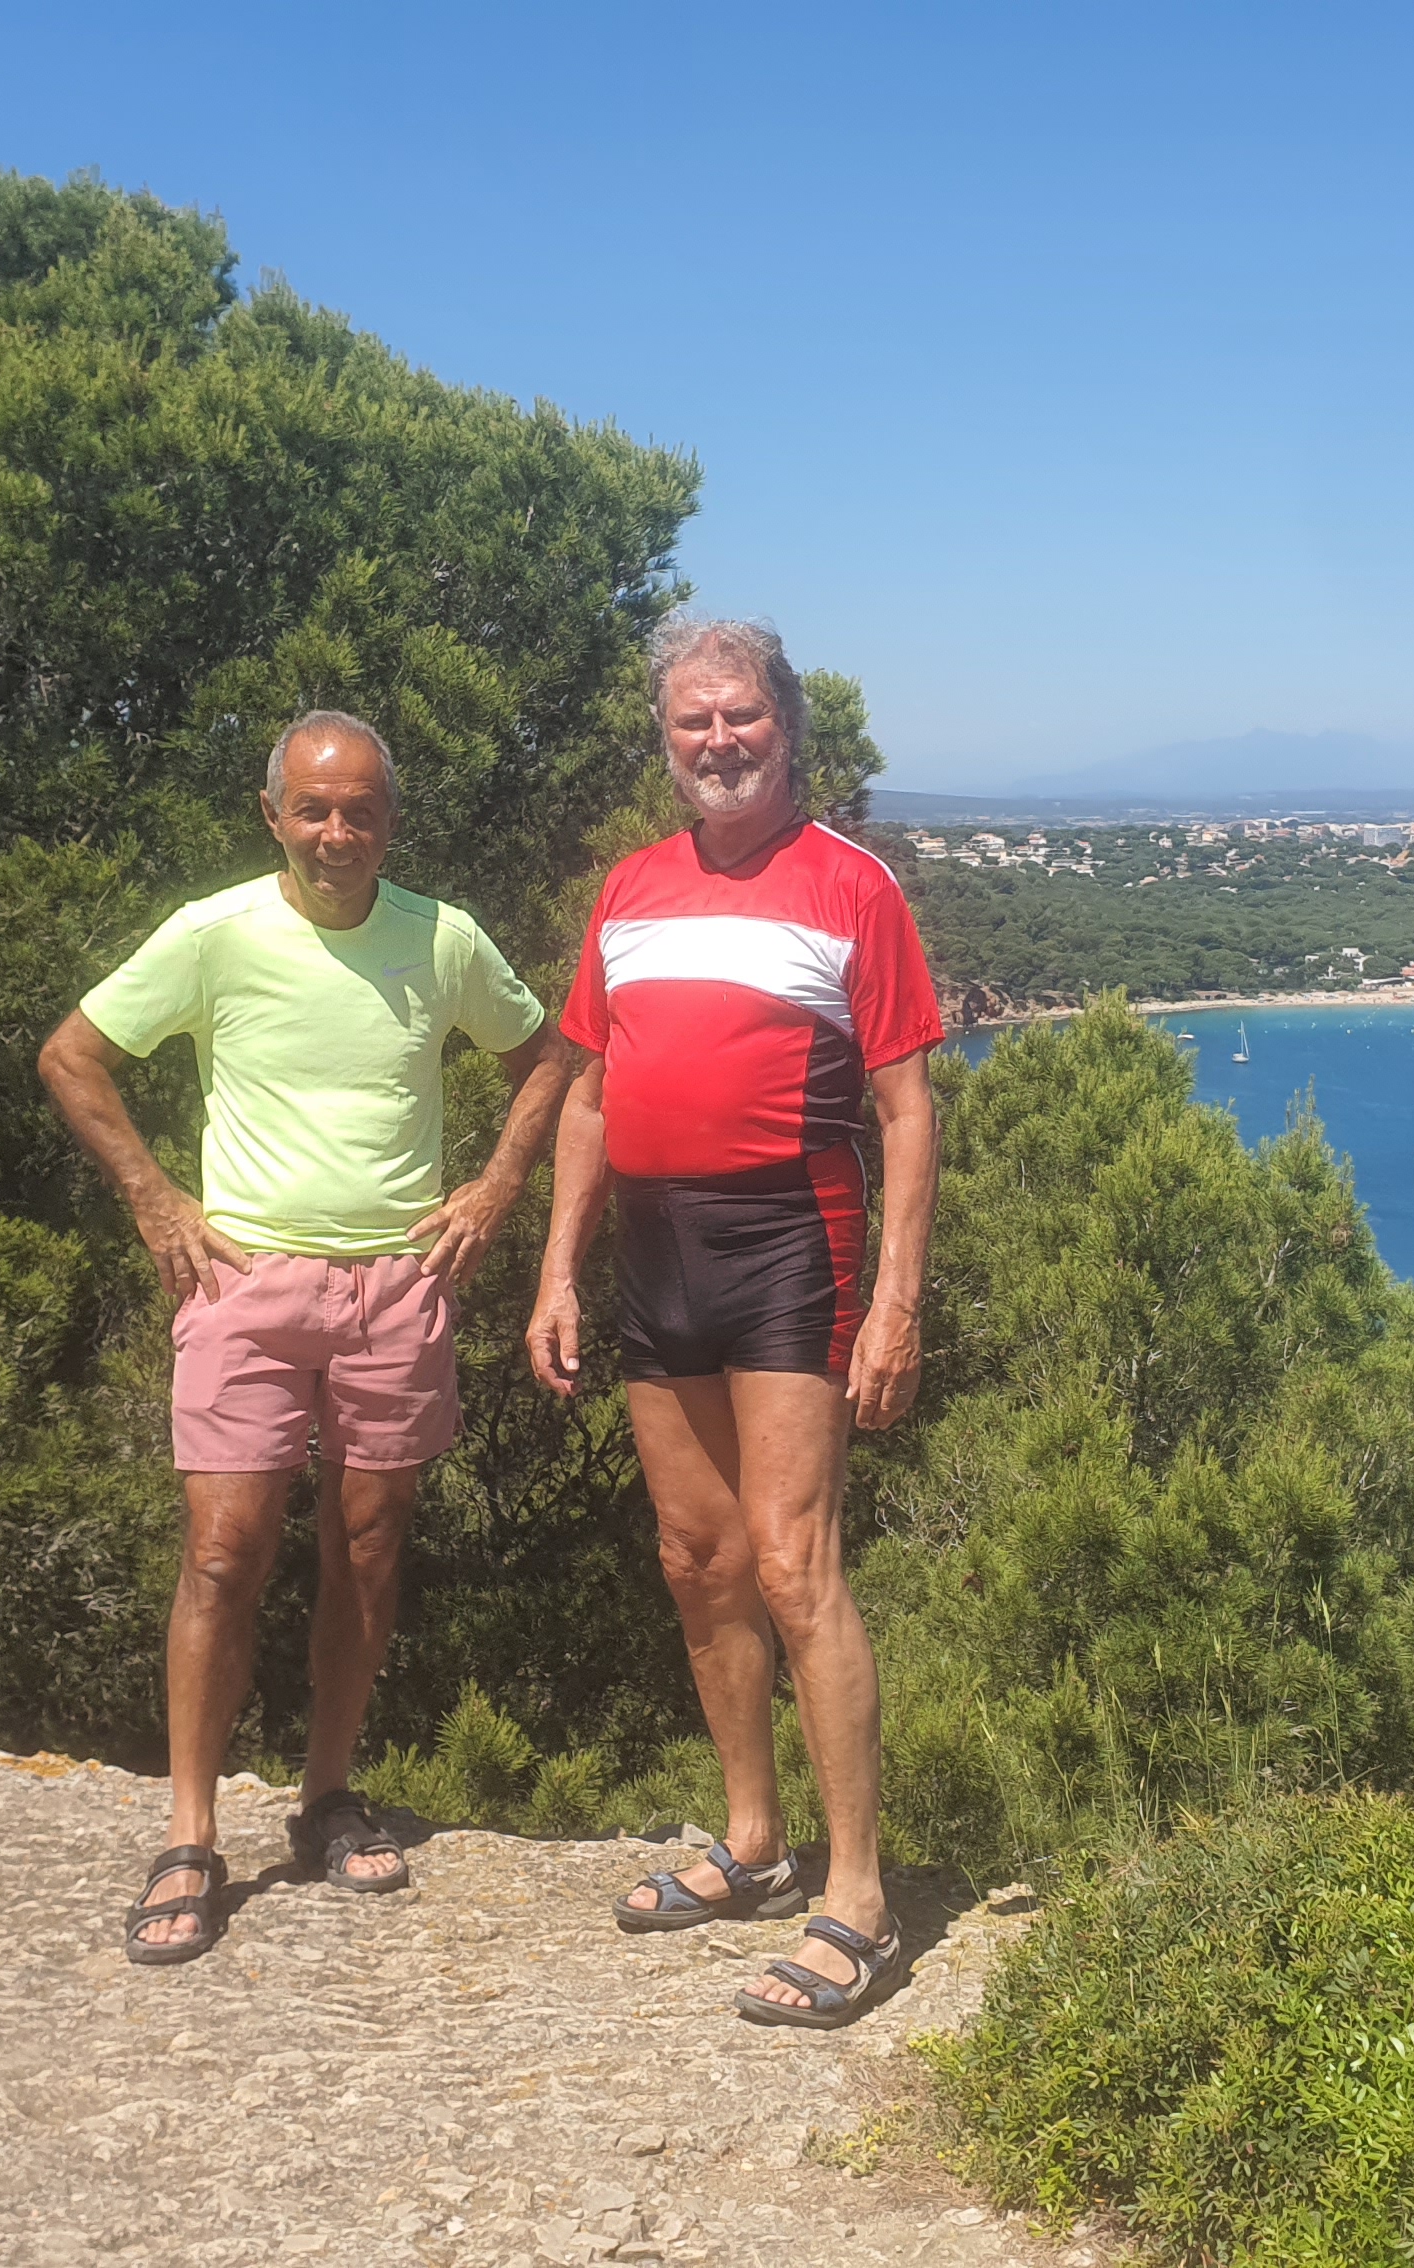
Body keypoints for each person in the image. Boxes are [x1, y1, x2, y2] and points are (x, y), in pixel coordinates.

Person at [40, 710, 570, 1965]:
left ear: (393, 818)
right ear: (273, 812)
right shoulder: (216, 933)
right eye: (316, 809)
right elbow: (72, 1058)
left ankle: (328, 1792)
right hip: (249, 1284)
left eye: (363, 809)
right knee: (224, 1555)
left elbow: (549, 1058)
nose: (340, 832)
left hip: (397, 1283)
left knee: (369, 1550)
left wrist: (493, 1192)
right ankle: (190, 1836)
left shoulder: (442, 939)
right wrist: (155, 1200)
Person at [528, 617, 943, 2029]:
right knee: (695, 1556)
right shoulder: (632, 889)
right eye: (694, 721)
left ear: (787, 727)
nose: (719, 741)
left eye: (743, 718)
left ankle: (862, 1899)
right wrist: (556, 1272)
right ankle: (754, 1845)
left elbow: (905, 1108)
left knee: (790, 1558)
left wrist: (896, 1299)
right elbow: (588, 1089)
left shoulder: (851, 887)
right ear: (669, 737)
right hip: (656, 1248)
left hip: (791, 1242)